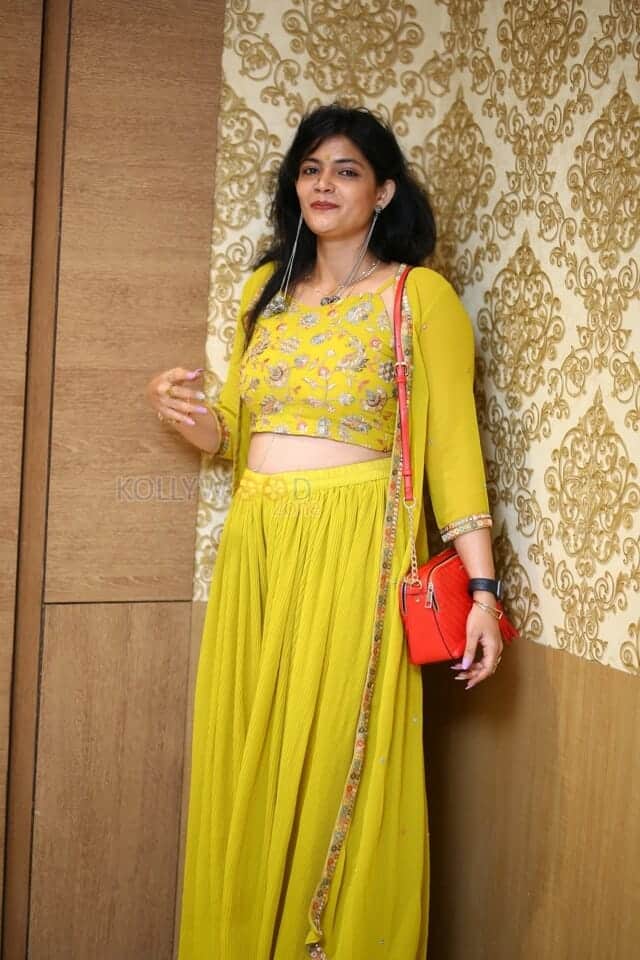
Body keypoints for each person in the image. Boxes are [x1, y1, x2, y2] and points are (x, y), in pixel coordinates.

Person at [146, 104, 503, 960]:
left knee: (335, 748)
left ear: (384, 192)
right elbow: (235, 433)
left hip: (355, 547)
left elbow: (453, 448)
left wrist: (484, 593)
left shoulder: (419, 297)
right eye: (310, 168)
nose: (323, 184)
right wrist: (183, 411)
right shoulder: (263, 292)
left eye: (346, 170)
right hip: (259, 543)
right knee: (254, 753)